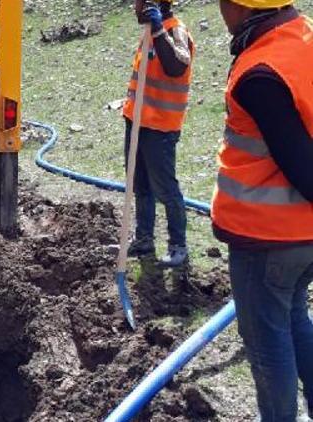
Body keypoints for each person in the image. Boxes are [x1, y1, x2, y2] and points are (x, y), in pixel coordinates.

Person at [212, 0, 313, 420]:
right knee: (294, 320)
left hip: (268, 239)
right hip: (302, 237)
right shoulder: (302, 36)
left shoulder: (260, 73)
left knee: (268, 345)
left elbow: (303, 168)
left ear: (240, 7)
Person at [124, 0, 195, 267]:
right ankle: (144, 239)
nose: (135, 7)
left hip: (160, 127)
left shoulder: (175, 31)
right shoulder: (148, 34)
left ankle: (178, 245)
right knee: (140, 184)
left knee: (165, 188)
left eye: (138, 2)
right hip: (137, 121)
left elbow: (177, 66)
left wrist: (158, 29)